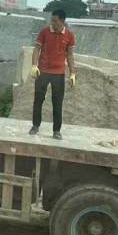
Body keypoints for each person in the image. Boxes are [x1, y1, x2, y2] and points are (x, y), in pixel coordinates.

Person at [28, 8, 76, 140]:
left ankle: (56, 131)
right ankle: (35, 126)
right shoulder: (44, 32)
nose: (52, 23)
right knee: (38, 100)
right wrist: (34, 65)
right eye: (52, 20)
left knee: (57, 103)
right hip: (43, 71)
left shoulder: (69, 35)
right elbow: (37, 49)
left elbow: (70, 55)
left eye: (55, 21)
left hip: (59, 73)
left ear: (62, 21)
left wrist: (72, 73)